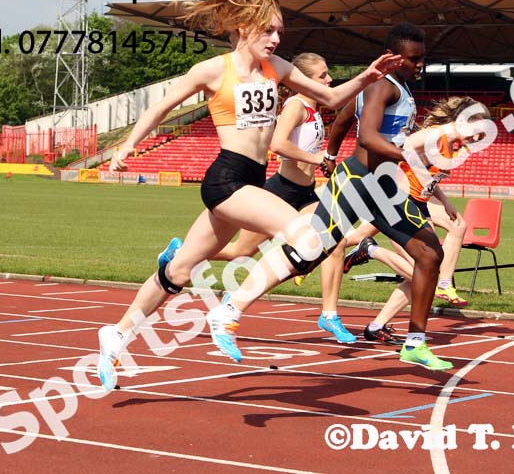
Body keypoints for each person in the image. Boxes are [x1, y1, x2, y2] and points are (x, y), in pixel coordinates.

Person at [96, 0, 402, 390]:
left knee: (179, 272)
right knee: (308, 236)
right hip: (226, 180)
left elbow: (330, 98)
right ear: (243, 27)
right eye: (268, 30)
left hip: (252, 180)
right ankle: (228, 310)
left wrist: (367, 76)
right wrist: (128, 144)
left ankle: (114, 336)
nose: (276, 38)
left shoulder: (275, 67)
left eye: (280, 31)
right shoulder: (211, 70)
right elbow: (162, 107)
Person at [207, 22, 457, 371]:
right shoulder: (381, 87)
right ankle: (231, 307)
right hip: (356, 183)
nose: (420, 65)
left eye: (422, 59)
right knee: (306, 255)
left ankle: (415, 343)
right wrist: (409, 157)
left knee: (431, 254)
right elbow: (368, 137)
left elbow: (342, 121)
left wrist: (330, 153)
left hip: (383, 188)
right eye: (414, 60)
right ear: (395, 58)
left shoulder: (398, 88)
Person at [184, 52, 356, 343]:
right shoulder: (296, 106)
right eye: (322, 76)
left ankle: (329, 315)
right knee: (241, 252)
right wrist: (314, 158)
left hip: (305, 192)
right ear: (304, 81)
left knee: (333, 243)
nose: (329, 79)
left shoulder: (314, 110)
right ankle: (182, 257)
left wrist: (322, 161)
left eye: (328, 74)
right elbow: (277, 143)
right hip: (281, 191)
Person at [327, 97, 472, 309]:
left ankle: (442, 283)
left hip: (419, 200)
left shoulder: (451, 145)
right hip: (399, 200)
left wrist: (446, 202)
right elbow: (405, 148)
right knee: (421, 269)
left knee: (359, 235)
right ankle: (364, 252)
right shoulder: (435, 135)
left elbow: (431, 177)